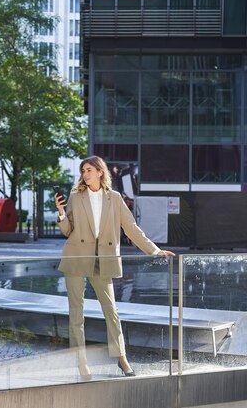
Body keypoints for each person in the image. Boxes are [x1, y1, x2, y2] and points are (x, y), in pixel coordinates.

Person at [54, 155, 175, 380]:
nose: (85, 174)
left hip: (103, 260)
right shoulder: (75, 196)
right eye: (83, 170)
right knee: (76, 314)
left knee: (111, 311)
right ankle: (81, 364)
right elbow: (68, 231)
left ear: (100, 172)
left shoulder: (115, 198)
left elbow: (131, 228)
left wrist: (154, 250)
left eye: (89, 169)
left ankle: (122, 359)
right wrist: (61, 213)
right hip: (76, 258)